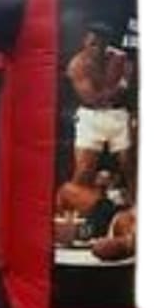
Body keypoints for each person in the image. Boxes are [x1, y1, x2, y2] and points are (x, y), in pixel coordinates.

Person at [66, 23, 133, 190]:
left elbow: (130, 85)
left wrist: (122, 82)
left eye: (100, 43)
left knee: (131, 168)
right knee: (84, 171)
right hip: (91, 118)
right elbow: (93, 99)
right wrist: (122, 84)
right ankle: (72, 204)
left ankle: (135, 203)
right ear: (84, 42)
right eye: (92, 43)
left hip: (118, 116)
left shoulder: (119, 59)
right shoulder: (78, 64)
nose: (95, 47)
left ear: (106, 44)